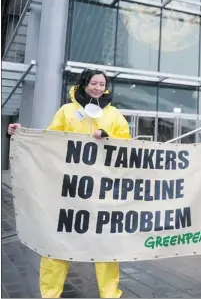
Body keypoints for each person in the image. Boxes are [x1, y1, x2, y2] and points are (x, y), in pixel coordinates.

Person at [7, 68, 130, 298]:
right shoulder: (67, 111)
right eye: (93, 83)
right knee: (58, 242)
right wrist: (21, 134)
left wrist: (108, 137)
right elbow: (50, 140)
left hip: (101, 192)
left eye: (102, 84)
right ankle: (50, 293)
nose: (97, 88)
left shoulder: (114, 115)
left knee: (105, 244)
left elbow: (126, 144)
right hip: (69, 191)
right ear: (84, 84)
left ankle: (110, 294)